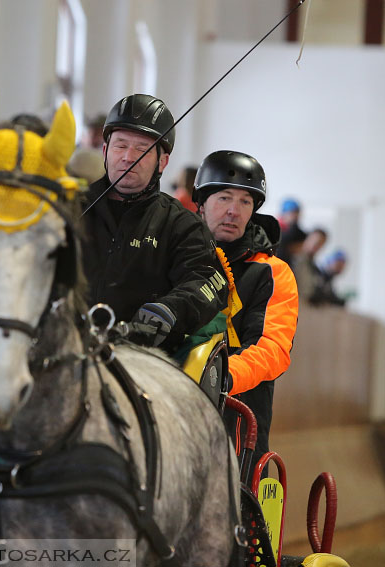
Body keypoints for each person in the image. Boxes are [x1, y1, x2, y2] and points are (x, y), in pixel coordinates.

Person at [81, 93, 228, 352]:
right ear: (105, 151)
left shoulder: (183, 225)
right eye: (120, 145)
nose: (128, 157)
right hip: (66, 348)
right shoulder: (71, 210)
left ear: (163, 161)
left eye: (142, 149)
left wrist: (169, 311)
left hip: (143, 357)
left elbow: (206, 282)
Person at [193, 150, 299, 468]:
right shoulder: (173, 257)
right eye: (224, 197)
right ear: (201, 203)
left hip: (237, 422)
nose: (234, 211)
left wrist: (221, 377)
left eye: (245, 202)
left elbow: (272, 349)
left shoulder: (273, 271)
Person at [291, 227, 328, 302]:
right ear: (308, 238)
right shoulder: (293, 257)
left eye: (320, 244)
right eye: (315, 241)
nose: (316, 245)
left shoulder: (313, 265)